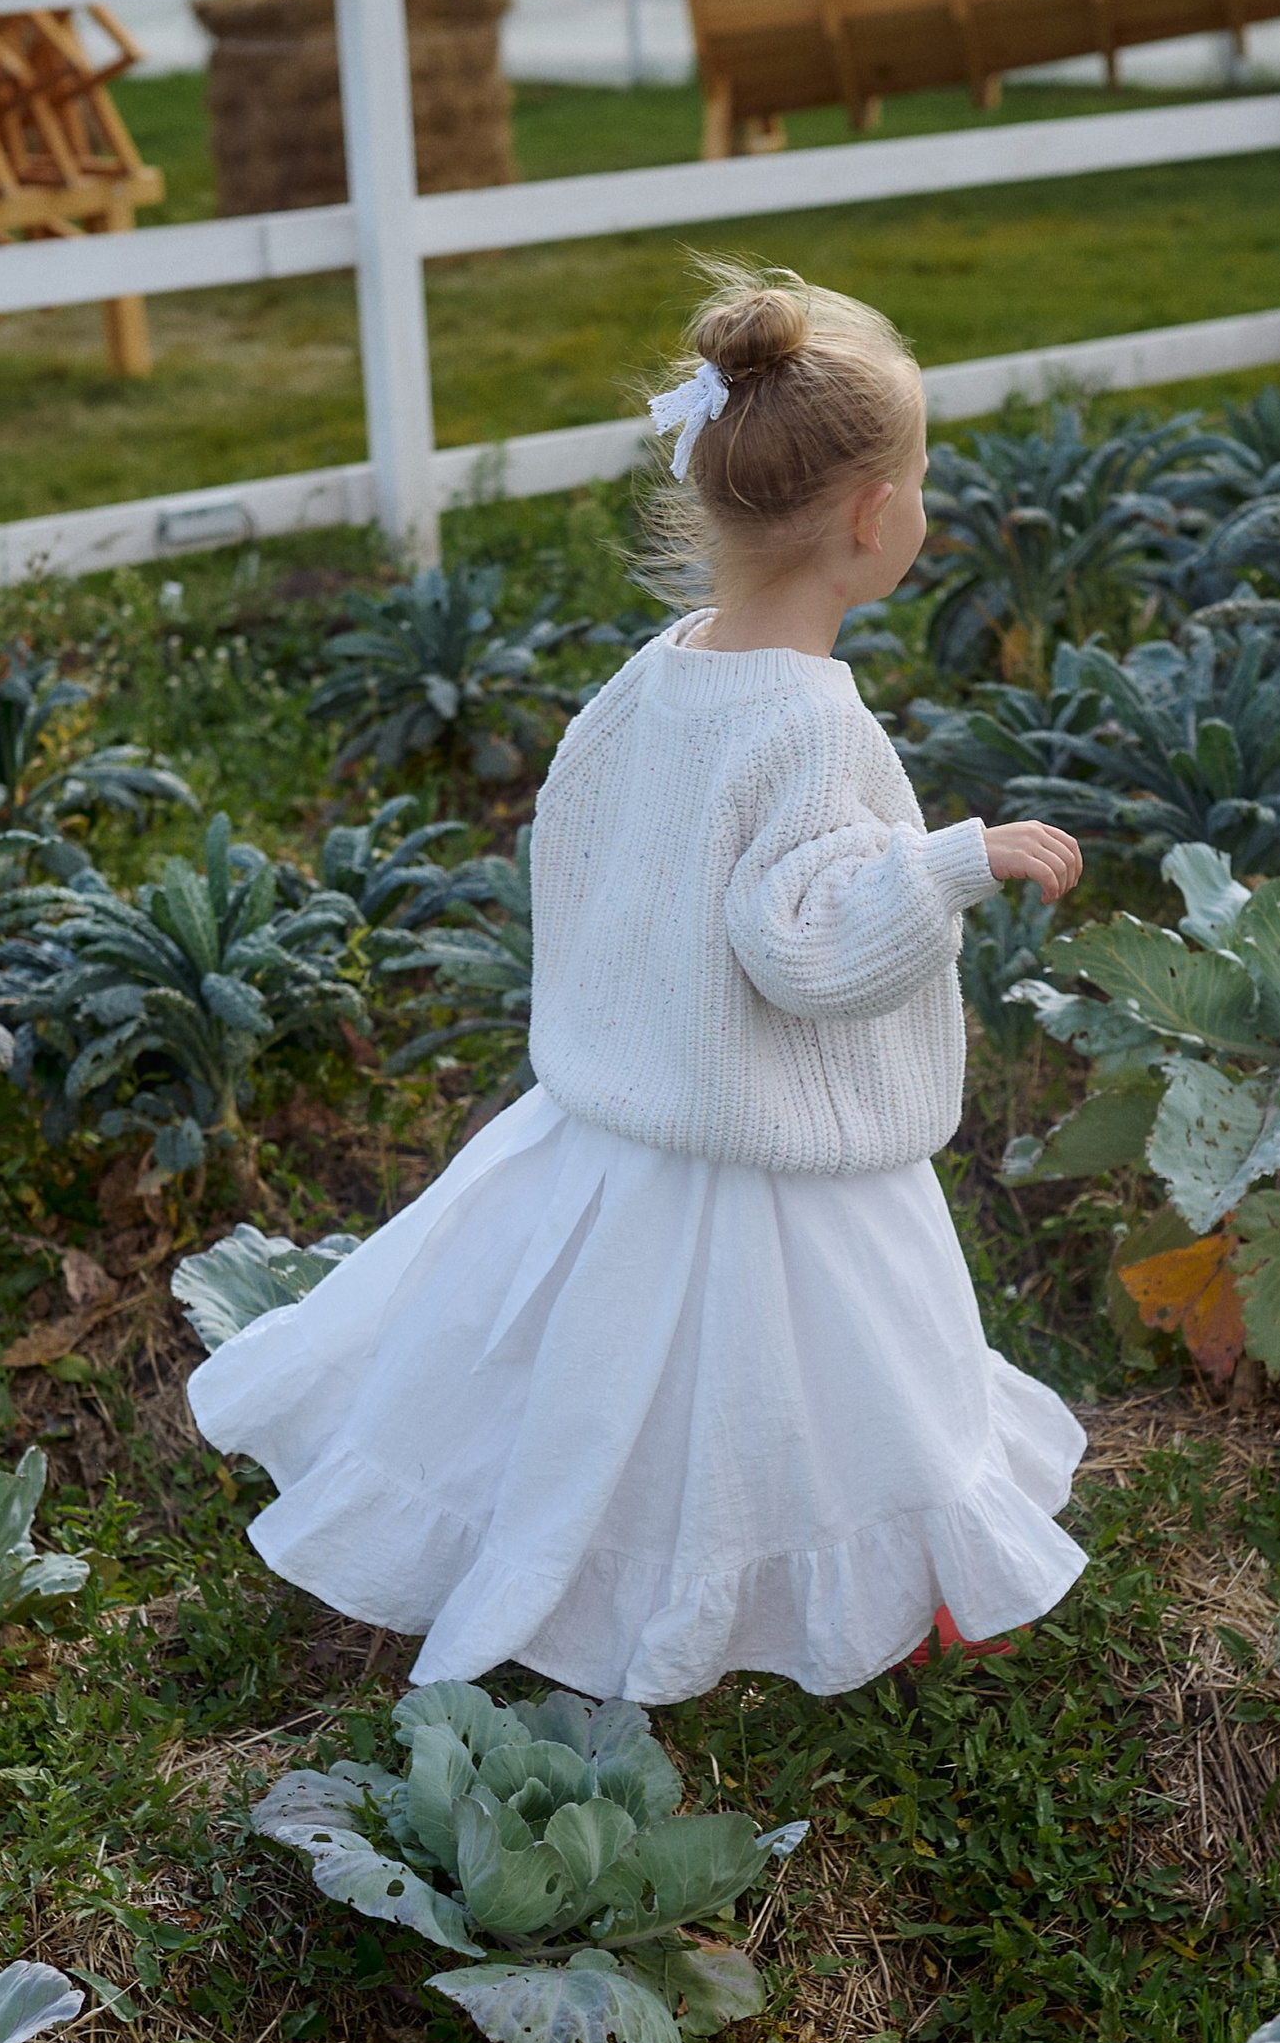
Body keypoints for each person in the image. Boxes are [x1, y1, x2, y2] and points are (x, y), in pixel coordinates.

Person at [188, 263, 1090, 1702]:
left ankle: (564, 1553)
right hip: (768, 1151)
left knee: (591, 1382)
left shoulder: (659, 673)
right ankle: (842, 1582)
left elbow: (600, 850)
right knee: (817, 1389)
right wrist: (950, 866)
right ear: (874, 520)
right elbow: (805, 945)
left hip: (615, 1125)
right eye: (920, 480)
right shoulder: (812, 718)